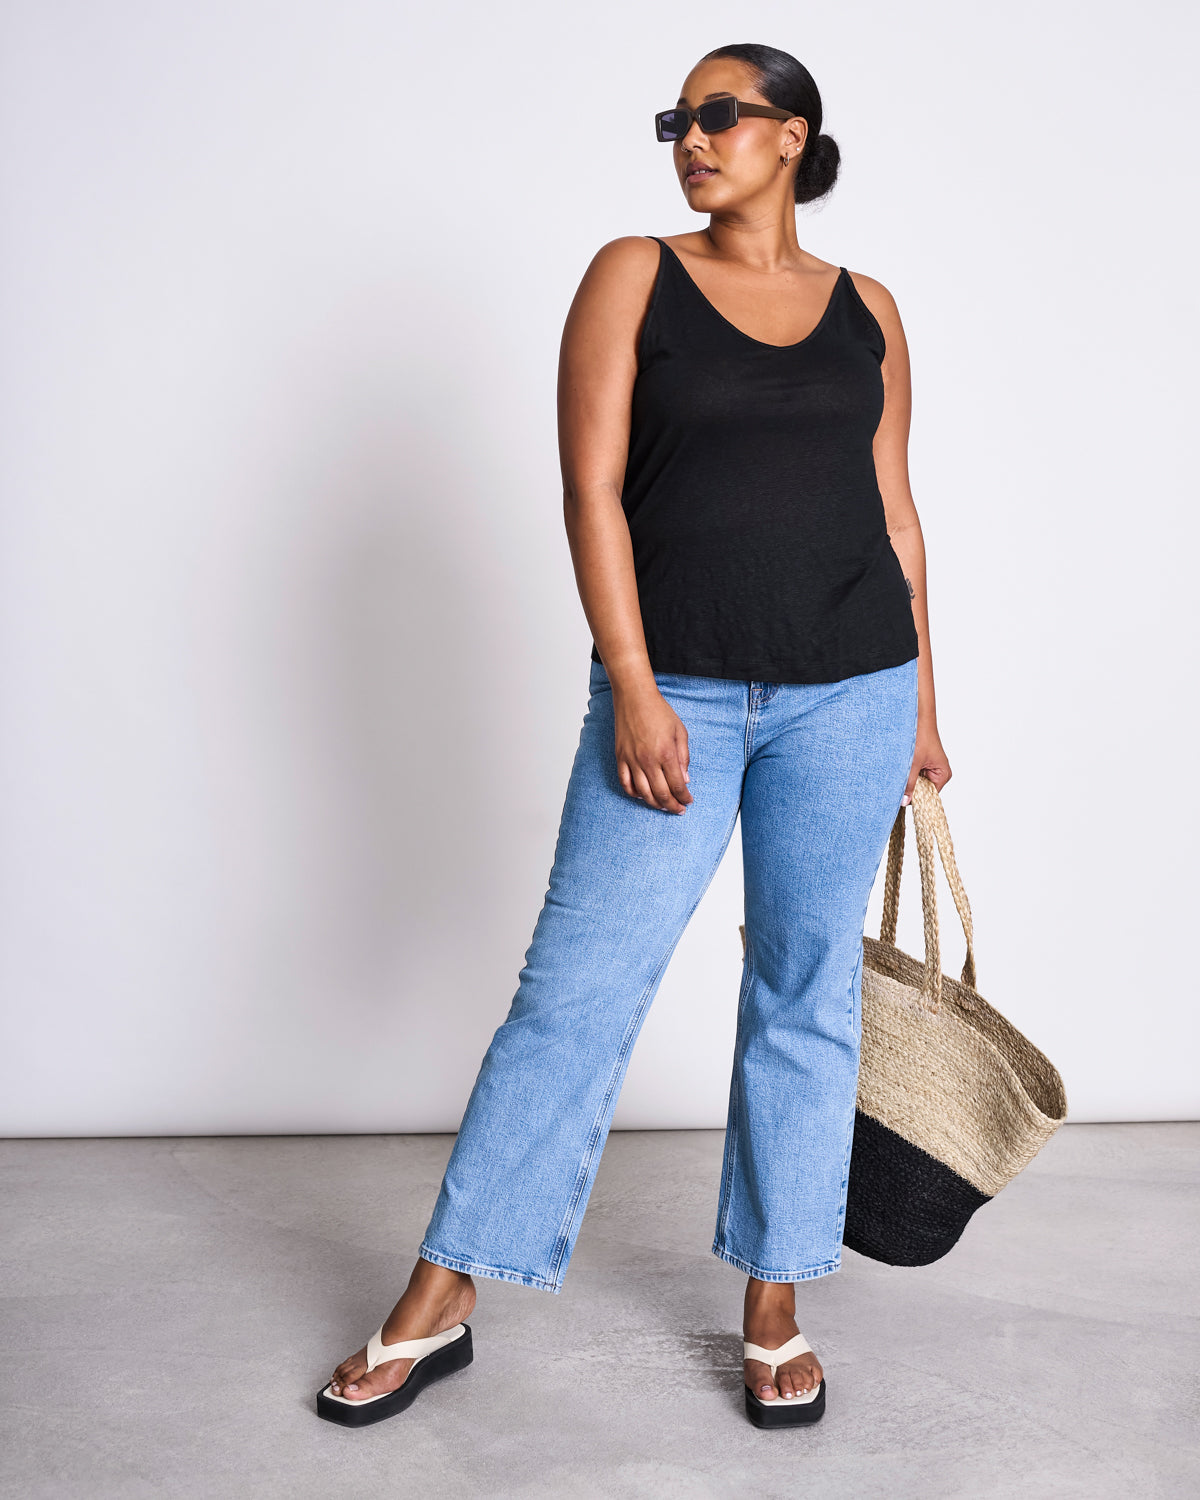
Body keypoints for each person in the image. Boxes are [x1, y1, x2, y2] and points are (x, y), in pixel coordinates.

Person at [317, 40, 951, 1430]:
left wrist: (923, 701)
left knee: (805, 994)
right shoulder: (632, 274)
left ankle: (777, 1298)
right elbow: (591, 490)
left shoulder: (870, 309)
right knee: (574, 997)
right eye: (677, 119)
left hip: (852, 691)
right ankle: (447, 1291)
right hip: (681, 697)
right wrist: (636, 679)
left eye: (718, 115)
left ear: (791, 136)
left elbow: (894, 511)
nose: (689, 136)